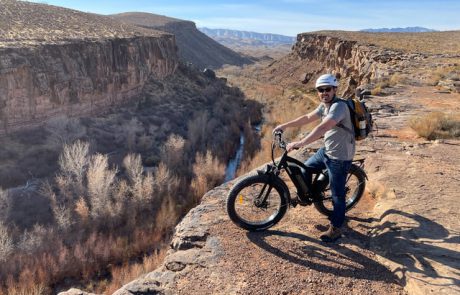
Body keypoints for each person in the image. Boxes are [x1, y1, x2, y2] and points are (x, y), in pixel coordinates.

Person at [273, 73, 355, 242]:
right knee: (305, 169)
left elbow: (323, 127)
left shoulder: (339, 107)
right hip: (327, 150)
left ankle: (336, 228)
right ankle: (307, 195)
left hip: (340, 157)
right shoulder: (324, 105)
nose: (324, 92)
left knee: (337, 195)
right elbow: (307, 118)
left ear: (334, 90)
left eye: (327, 89)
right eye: (320, 90)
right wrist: (284, 126)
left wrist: (300, 143)